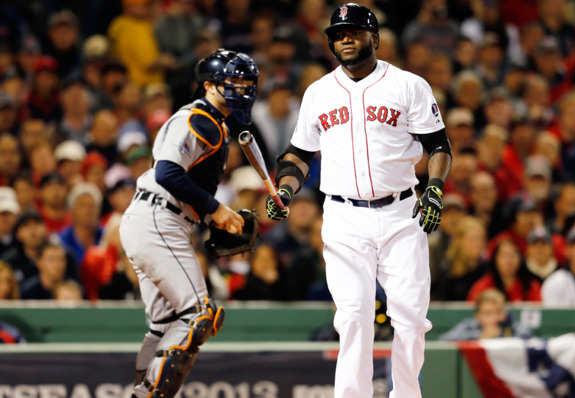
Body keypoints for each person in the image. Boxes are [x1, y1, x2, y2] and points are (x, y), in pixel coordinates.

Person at [265, 4, 452, 397]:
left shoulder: (408, 85)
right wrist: (284, 189)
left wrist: (434, 186)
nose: (345, 38)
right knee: (352, 317)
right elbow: (298, 155)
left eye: (353, 31)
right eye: (338, 34)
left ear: (375, 39)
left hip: (403, 212)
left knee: (412, 320)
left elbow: (438, 145)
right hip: (343, 216)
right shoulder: (318, 92)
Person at [119, 49, 259, 397]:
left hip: (160, 218)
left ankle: (141, 391)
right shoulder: (197, 117)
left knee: (164, 326)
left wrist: (213, 219)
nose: (241, 88)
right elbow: (167, 172)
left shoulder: (213, 122)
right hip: (158, 216)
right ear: (209, 85)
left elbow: (184, 183)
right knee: (198, 316)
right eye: (233, 82)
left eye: (246, 82)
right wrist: (216, 210)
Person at [438, 289, 533, 341]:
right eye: (488, 313)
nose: (494, 317)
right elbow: (444, 341)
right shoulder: (469, 326)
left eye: (498, 312)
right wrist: (480, 337)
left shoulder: (512, 327)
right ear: (478, 316)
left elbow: (530, 340)